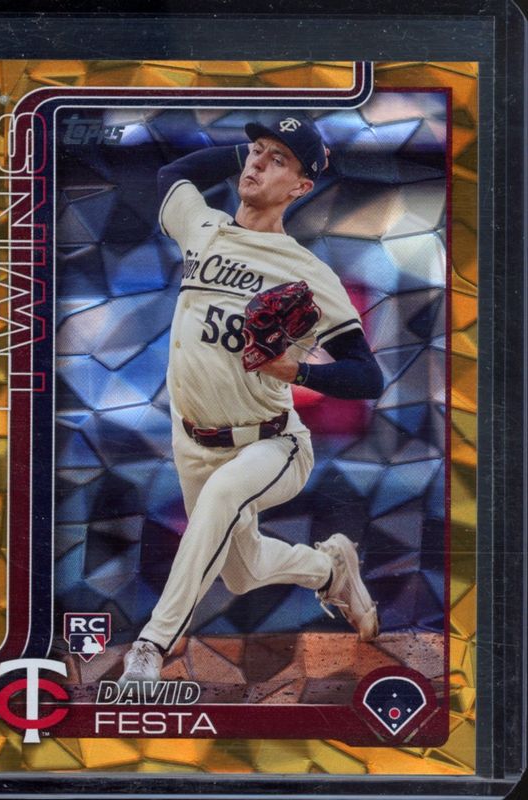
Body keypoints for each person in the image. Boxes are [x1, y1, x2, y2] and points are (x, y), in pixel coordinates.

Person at [120, 115, 384, 683]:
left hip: (271, 443)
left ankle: (150, 646)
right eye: (258, 150)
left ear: (300, 187)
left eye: (278, 159)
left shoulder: (306, 271)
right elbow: (172, 174)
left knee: (223, 497)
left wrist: (297, 369)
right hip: (194, 443)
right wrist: (245, 152)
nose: (259, 163)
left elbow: (367, 377)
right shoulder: (203, 228)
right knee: (242, 571)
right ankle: (330, 570)